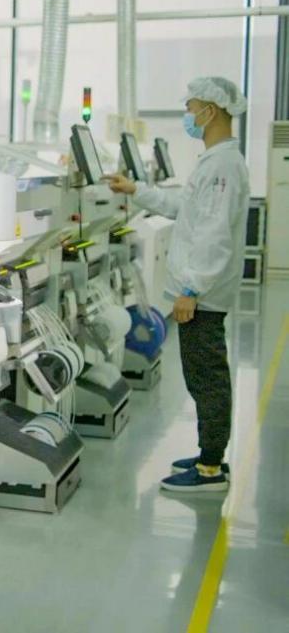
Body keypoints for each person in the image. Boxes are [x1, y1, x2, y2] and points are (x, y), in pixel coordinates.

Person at [105, 76, 250, 493]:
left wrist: (191, 289)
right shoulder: (215, 161)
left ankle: (210, 469)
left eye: (191, 107)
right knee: (202, 375)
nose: (187, 114)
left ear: (211, 109)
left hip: (203, 296)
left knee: (207, 378)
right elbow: (184, 208)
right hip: (202, 292)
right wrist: (136, 189)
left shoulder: (223, 166)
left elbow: (214, 234)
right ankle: (210, 454)